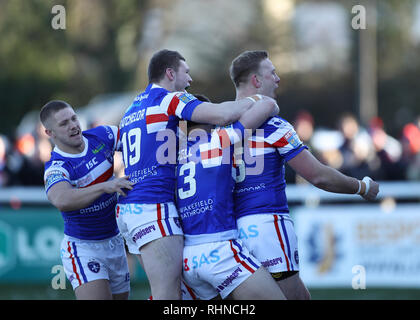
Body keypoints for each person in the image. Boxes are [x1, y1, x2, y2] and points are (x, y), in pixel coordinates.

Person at [229, 50, 380, 300]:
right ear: (256, 80)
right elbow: (318, 176)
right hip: (268, 227)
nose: (277, 79)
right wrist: (361, 187)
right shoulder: (275, 126)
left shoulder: (217, 128)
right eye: (272, 73)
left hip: (230, 232)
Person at [115, 49, 261, 300]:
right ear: (170, 73)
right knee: (167, 295)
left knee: (173, 292)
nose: (190, 81)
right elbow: (222, 114)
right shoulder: (170, 99)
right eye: (187, 73)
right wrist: (257, 100)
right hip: (153, 208)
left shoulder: (132, 107)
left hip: (128, 209)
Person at [177, 93, 286, 300]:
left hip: (188, 258)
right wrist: (256, 97)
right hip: (219, 249)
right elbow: (268, 106)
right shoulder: (219, 141)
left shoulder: (171, 156)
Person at [40, 100, 133, 300]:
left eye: (74, 118)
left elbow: (139, 141)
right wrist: (105, 186)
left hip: (115, 241)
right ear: (50, 133)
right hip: (83, 247)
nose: (73, 125)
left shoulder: (102, 135)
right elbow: (62, 199)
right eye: (64, 123)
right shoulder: (57, 167)